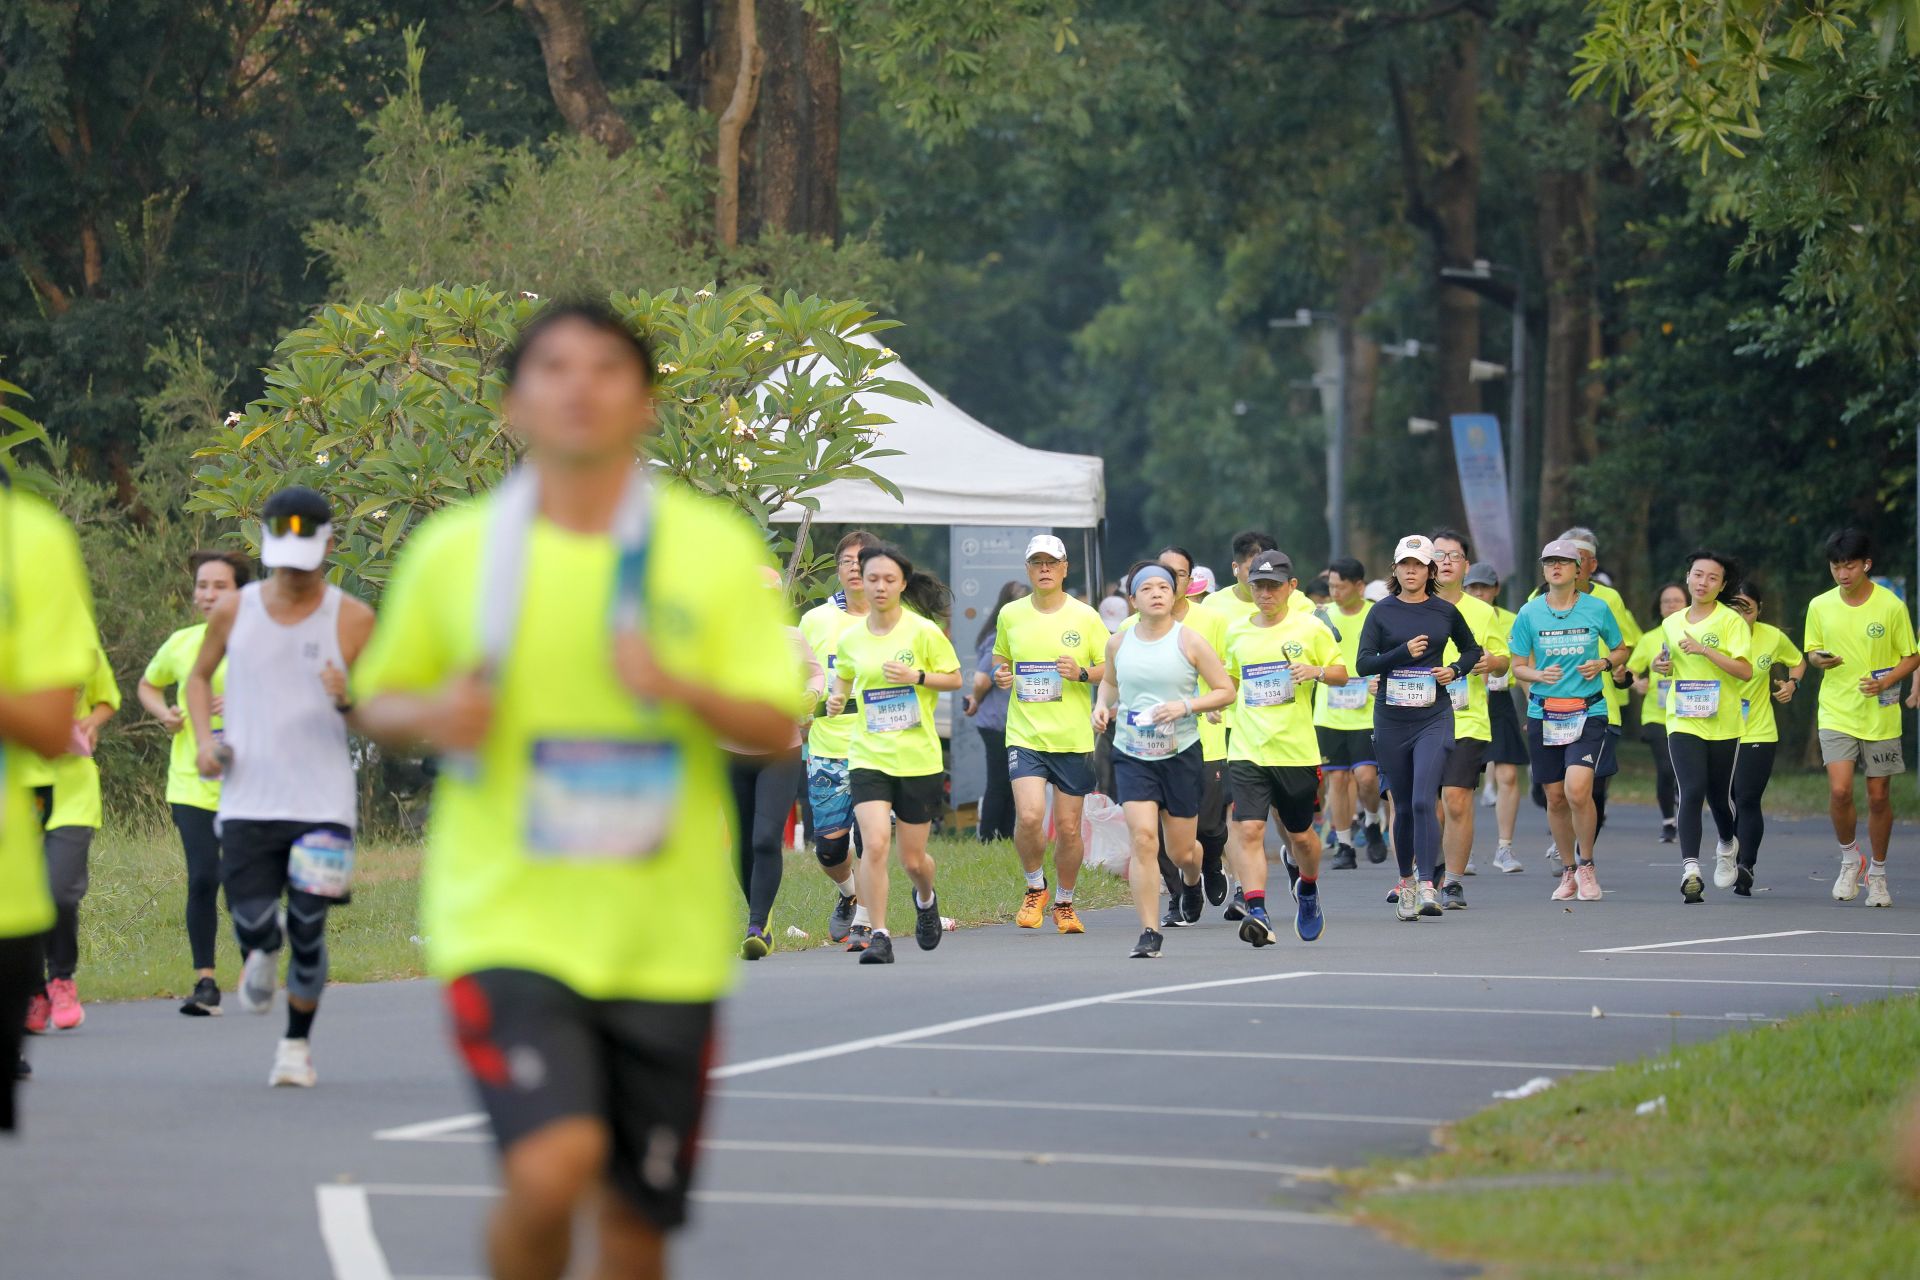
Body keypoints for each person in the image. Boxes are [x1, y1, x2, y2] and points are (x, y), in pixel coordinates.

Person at [354, 302, 804, 1279]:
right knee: (553, 1170)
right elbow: (378, 701)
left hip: (664, 937)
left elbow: (777, 728)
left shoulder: (710, 547)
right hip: (507, 917)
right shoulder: (456, 549)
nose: (579, 386)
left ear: (645, 402)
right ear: (515, 403)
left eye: (607, 368)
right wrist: (433, 712)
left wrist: (679, 685)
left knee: (635, 1225)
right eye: (553, 367)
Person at [188, 484, 376, 1088]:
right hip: (249, 798)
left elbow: (383, 713)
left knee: (311, 925)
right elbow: (197, 678)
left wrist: (350, 699)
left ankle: (295, 1048)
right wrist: (202, 742)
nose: (293, 572)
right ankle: (260, 952)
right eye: (283, 557)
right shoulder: (233, 609)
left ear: (328, 546)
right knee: (250, 917)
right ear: (266, 545)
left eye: (305, 557)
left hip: (323, 803)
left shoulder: (353, 619)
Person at [0, 476, 97, 1124]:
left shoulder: (31, 538)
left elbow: (48, 726)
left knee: (62, 891)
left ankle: (55, 980)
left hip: (7, 902)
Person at [825, 544, 962, 964]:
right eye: (872, 579)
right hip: (868, 754)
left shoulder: (922, 632)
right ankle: (879, 934)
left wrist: (917, 676)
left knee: (913, 858)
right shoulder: (850, 639)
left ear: (903, 583)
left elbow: (954, 679)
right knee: (875, 844)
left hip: (917, 758)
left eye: (889, 579)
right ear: (860, 583)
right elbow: (844, 681)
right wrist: (836, 699)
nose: (880, 587)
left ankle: (925, 899)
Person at [1094, 563, 1235, 958]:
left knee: (1182, 851)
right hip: (1133, 753)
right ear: (1132, 600)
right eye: (1147, 588)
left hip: (1180, 753)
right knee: (1142, 839)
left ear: (1175, 596)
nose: (1156, 593)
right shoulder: (1119, 643)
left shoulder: (1190, 641)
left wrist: (1185, 705)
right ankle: (1149, 932)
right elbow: (1109, 681)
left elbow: (1225, 690)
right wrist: (1102, 706)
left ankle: (1192, 878)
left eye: (1164, 587)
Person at [139, 549, 251, 1015]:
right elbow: (149, 684)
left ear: (240, 592)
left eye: (218, 586)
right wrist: (165, 712)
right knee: (204, 876)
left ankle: (254, 968)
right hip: (190, 781)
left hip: (249, 783)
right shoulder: (182, 643)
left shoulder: (258, 640)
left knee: (243, 879)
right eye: (202, 586)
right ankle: (205, 982)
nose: (207, 595)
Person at [1355, 536, 1481, 921]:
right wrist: (1401, 654)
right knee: (1405, 805)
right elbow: (1363, 664)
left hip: (1434, 716)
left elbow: (1472, 650)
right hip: (1391, 719)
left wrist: (1456, 669)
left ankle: (1429, 884)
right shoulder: (1381, 612)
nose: (1411, 571)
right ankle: (1406, 880)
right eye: (1404, 564)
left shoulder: (1444, 611)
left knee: (1427, 798)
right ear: (1395, 570)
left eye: (1419, 565)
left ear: (1430, 571)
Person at [1224, 551, 1346, 944]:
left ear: (1291, 587)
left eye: (1274, 586)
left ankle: (1307, 887)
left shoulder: (1310, 628)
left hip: (1295, 752)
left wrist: (1316, 671)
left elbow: (1342, 674)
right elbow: (1229, 681)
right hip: (1246, 748)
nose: (1265, 593)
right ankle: (1257, 909)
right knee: (1249, 828)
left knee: (1302, 838)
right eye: (1258, 586)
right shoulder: (1237, 632)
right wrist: (1217, 706)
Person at [991, 537, 1109, 934]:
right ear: (1028, 569)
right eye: (1036, 562)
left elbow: (1108, 669)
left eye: (1051, 562)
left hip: (1072, 738)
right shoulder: (1010, 614)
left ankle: (1065, 901)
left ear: (1064, 568)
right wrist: (1001, 675)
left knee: (1069, 827)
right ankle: (1034, 886)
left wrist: (1080, 673)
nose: (1044, 568)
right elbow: (1000, 659)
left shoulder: (1086, 616)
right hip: (1024, 732)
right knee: (1028, 816)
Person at [1508, 540, 1628, 904]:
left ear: (1579, 569)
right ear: (1543, 570)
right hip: (1544, 713)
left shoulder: (1597, 608)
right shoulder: (1529, 613)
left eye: (1564, 562)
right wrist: (1536, 676)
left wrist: (1605, 663)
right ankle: (1568, 870)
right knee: (1555, 797)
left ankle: (1587, 862)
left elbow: (1621, 649)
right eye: (1549, 562)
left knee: (1579, 790)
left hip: (1588, 711)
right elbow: (1517, 666)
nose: (1556, 568)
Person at [1804, 528, 1919, 907]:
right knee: (1839, 790)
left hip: (1880, 711)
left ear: (1866, 564)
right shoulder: (1819, 605)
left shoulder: (1890, 605)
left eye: (1850, 566)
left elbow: (1912, 655)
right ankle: (1851, 858)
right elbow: (1811, 654)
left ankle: (1880, 875)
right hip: (1835, 709)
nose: (1842, 574)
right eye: (1836, 566)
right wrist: (1819, 660)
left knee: (1879, 796)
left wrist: (1887, 680)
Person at [1129, 546, 1235, 924]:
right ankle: (1177, 895)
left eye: (1177, 575)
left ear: (1187, 582)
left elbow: (1227, 677)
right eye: (1159, 576)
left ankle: (1210, 865)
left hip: (1202, 739)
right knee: (1150, 829)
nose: (1165, 585)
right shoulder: (1129, 630)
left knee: (1205, 825)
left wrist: (1203, 705)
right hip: (1146, 746)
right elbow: (1113, 678)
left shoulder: (1211, 622)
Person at [20, 642, 117, 1033]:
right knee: (21, 897)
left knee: (59, 890)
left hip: (72, 790)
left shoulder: (82, 646)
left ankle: (61, 978)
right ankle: (33, 991)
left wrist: (94, 721)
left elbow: (106, 699)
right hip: (17, 788)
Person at [728, 569, 825, 959]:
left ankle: (757, 924)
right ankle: (759, 912)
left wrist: (810, 695)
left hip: (781, 751)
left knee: (765, 838)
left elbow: (816, 672)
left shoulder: (791, 638)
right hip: (729, 752)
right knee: (742, 842)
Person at [1655, 551, 1753, 903]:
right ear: (1687, 577)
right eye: (1698, 574)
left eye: (1713, 578)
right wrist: (1661, 665)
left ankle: (1727, 842)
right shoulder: (1671, 622)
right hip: (1682, 718)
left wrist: (1704, 651)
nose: (1703, 582)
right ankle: (1691, 869)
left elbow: (1745, 671)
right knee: (1691, 790)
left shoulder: (1731, 622)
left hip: (1724, 721)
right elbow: (1670, 661)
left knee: (1719, 798)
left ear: (1723, 585)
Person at [798, 530, 878, 944]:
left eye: (862, 561)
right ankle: (848, 895)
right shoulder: (816, 621)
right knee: (829, 849)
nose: (854, 569)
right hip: (827, 749)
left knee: (870, 840)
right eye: (846, 562)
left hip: (878, 748)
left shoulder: (893, 620)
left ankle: (864, 921)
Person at [1431, 532, 1509, 906]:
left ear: (1465, 564)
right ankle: (1426, 873)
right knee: (1426, 803)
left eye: (1454, 555)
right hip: (1418, 717)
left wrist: (1491, 662)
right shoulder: (1411, 605)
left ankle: (1454, 881)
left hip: (1467, 717)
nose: (1446, 561)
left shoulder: (1481, 611)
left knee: (1456, 799)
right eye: (1439, 554)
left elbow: (1503, 658)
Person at [1728, 580, 1805, 895]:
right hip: (1718, 731)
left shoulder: (1772, 636)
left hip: (1758, 730)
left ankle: (1746, 864)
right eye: (1735, 606)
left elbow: (1798, 661)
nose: (1742, 613)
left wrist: (1791, 684)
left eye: (1748, 607)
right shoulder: (1711, 634)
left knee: (1747, 798)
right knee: (1728, 800)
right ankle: (1730, 857)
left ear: (1759, 610)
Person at [1316, 557, 1386, 869]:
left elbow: (1390, 654)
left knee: (1367, 777)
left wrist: (1381, 678)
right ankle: (1344, 844)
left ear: (1359, 586)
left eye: (1340, 587)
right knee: (1337, 779)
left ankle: (1371, 820)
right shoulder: (1320, 617)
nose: (1334, 592)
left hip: (1366, 711)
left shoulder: (1377, 615)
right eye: (1331, 586)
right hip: (1329, 711)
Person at [1465, 563, 1527, 872]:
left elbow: (1523, 663)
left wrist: (1534, 706)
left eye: (1484, 587)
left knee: (1508, 775)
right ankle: (1465, 849)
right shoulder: (1454, 616)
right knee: (1462, 781)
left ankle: (1504, 848)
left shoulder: (1513, 621)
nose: (1478, 593)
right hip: (1462, 702)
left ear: (1496, 590)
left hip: (1499, 700)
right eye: (1472, 587)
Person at [1624, 583, 1687, 846]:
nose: (1672, 605)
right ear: (1659, 607)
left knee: (1682, 769)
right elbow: (1628, 671)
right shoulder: (1649, 639)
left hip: (1689, 712)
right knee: (1665, 766)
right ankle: (1668, 822)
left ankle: (1681, 808)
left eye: (1677, 600)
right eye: (1666, 601)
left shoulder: (1697, 634)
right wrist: (1635, 682)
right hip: (1656, 714)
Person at [965, 580, 1026, 843]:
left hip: (1007, 721)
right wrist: (976, 700)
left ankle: (1006, 837)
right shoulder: (998, 637)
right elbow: (981, 680)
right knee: (1000, 783)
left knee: (1012, 784)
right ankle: (989, 838)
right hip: (996, 722)